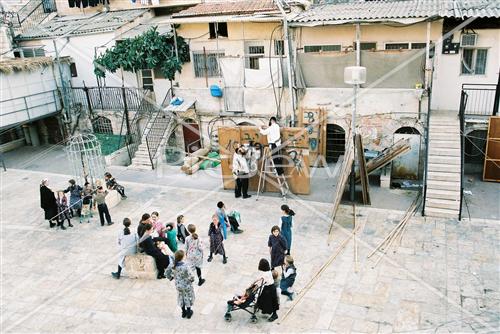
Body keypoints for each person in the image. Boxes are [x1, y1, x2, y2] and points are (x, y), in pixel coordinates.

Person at [166, 250, 196, 319]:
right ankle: (189, 312)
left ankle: (183, 312)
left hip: (178, 285)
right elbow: (191, 276)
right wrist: (192, 280)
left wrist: (170, 278)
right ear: (182, 257)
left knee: (181, 297)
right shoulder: (185, 266)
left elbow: (166, 273)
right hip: (186, 285)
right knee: (187, 297)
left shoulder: (172, 265)